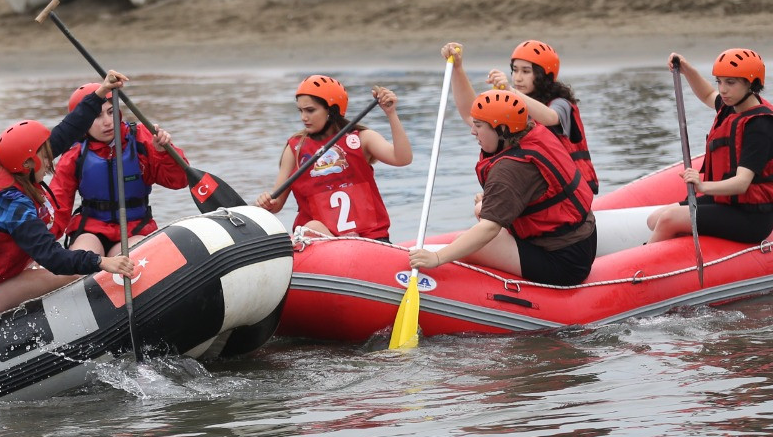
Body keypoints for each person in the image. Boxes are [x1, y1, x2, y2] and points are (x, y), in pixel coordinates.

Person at [0, 70, 137, 317]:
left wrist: (99, 93)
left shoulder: (1, 162)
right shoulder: (10, 203)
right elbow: (51, 257)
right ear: (26, 164)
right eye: (44, 158)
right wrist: (100, 262)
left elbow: (65, 133)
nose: (49, 163)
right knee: (79, 275)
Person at [407, 42, 596, 285]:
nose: (472, 132)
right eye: (515, 70)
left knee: (479, 241)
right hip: (573, 238)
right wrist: (458, 69)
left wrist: (437, 258)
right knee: (482, 210)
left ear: (503, 128)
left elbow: (488, 229)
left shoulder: (514, 164)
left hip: (565, 259)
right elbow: (470, 114)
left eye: (479, 127)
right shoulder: (526, 128)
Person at [648, 48, 773, 246]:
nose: (722, 89)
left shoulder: (760, 126)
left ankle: (641, 272)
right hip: (728, 203)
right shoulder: (732, 106)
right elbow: (707, 94)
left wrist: (703, 186)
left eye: (730, 82)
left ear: (752, 84)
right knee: (654, 219)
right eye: (719, 81)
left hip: (752, 218)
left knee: (669, 219)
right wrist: (686, 69)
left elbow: (741, 183)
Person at [255, 75, 412, 240]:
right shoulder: (295, 148)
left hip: (371, 239)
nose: (303, 117)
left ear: (332, 110)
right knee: (311, 228)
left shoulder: (362, 138)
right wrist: (267, 202)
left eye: (310, 110)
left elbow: (402, 158)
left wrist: (391, 113)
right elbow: (277, 204)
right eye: (300, 110)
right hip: (320, 243)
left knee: (311, 228)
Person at [50, 83, 190, 256]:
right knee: (83, 257)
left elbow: (179, 181)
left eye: (111, 112)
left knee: (133, 260)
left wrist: (164, 152)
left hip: (135, 228)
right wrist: (39, 248)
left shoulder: (142, 138)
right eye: (96, 116)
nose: (108, 122)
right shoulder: (74, 154)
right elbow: (57, 208)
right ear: (81, 122)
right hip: (91, 230)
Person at [483, 40, 599, 194]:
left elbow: (550, 117)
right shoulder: (517, 105)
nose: (517, 78)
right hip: (542, 186)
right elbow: (472, 119)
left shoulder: (561, 104)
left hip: (573, 190)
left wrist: (510, 90)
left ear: (543, 75)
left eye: (525, 71)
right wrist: (457, 69)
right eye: (515, 70)